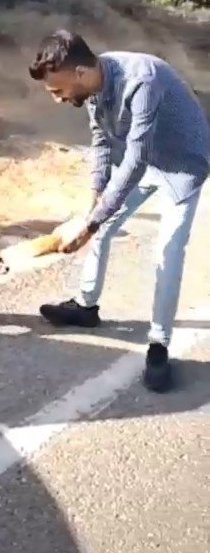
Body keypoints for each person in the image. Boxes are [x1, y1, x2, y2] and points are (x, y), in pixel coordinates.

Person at [29, 30, 210, 392]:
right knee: (102, 224)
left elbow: (136, 159)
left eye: (58, 90)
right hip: (141, 160)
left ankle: (159, 345)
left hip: (182, 165)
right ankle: (86, 307)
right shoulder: (94, 86)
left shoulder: (142, 80)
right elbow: (100, 142)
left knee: (168, 254)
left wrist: (92, 222)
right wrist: (92, 201)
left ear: (79, 73)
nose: (57, 99)